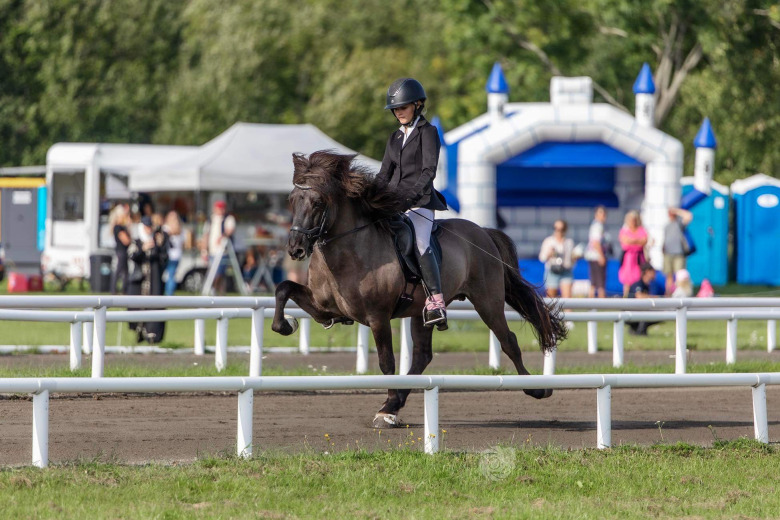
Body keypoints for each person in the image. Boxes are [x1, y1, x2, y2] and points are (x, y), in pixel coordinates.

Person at [378, 77, 449, 330]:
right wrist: (370, 196)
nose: (398, 112)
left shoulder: (428, 133)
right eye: (396, 109)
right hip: (393, 203)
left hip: (419, 202)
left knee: (420, 243)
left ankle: (436, 301)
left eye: (403, 107)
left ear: (418, 105)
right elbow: (384, 173)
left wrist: (408, 198)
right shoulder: (394, 137)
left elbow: (429, 171)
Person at [201, 200, 236, 295]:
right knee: (212, 273)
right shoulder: (210, 220)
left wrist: (222, 237)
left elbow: (230, 230)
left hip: (223, 251)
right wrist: (204, 251)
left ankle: (217, 291)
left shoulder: (228, 218)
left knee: (219, 273)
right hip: (212, 251)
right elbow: (205, 236)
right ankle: (214, 291)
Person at [539, 220, 575, 299]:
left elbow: (571, 260)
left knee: (567, 300)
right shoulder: (548, 241)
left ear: (565, 230)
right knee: (550, 300)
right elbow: (542, 258)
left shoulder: (569, 242)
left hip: (566, 271)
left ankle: (568, 312)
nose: (558, 231)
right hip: (552, 271)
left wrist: (575, 258)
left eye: (561, 229)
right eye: (556, 228)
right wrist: (549, 254)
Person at [663, 207, 693, 295]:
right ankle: (668, 294)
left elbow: (689, 216)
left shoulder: (679, 223)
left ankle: (680, 293)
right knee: (668, 276)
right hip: (668, 253)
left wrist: (676, 211)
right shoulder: (667, 226)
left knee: (680, 275)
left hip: (679, 254)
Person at [618, 210, 648, 297]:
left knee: (638, 278)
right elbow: (625, 243)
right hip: (628, 259)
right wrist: (636, 241)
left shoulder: (641, 230)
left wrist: (632, 241)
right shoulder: (624, 230)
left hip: (638, 258)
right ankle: (626, 298)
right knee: (627, 280)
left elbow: (644, 241)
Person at [626, 262, 660, 335]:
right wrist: (654, 298)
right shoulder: (638, 284)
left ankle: (636, 330)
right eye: (653, 272)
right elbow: (639, 296)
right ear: (647, 272)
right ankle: (640, 332)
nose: (655, 274)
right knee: (647, 312)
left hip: (636, 311)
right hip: (630, 312)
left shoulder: (646, 285)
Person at [585, 206, 610, 298]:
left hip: (594, 256)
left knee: (594, 282)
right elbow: (595, 243)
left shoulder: (598, 225)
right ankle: (600, 303)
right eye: (601, 213)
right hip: (597, 257)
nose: (603, 216)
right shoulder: (597, 226)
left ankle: (592, 305)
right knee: (600, 283)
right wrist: (601, 256)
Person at [109, 204, 132, 295]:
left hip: (123, 251)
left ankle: (124, 290)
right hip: (121, 251)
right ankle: (113, 290)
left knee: (125, 272)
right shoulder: (118, 227)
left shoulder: (122, 227)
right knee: (119, 271)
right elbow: (126, 241)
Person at [163, 210, 183, 296]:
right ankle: (169, 293)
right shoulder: (180, 229)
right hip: (176, 255)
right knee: (172, 275)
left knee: (169, 276)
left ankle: (169, 293)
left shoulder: (166, 228)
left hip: (169, 255)